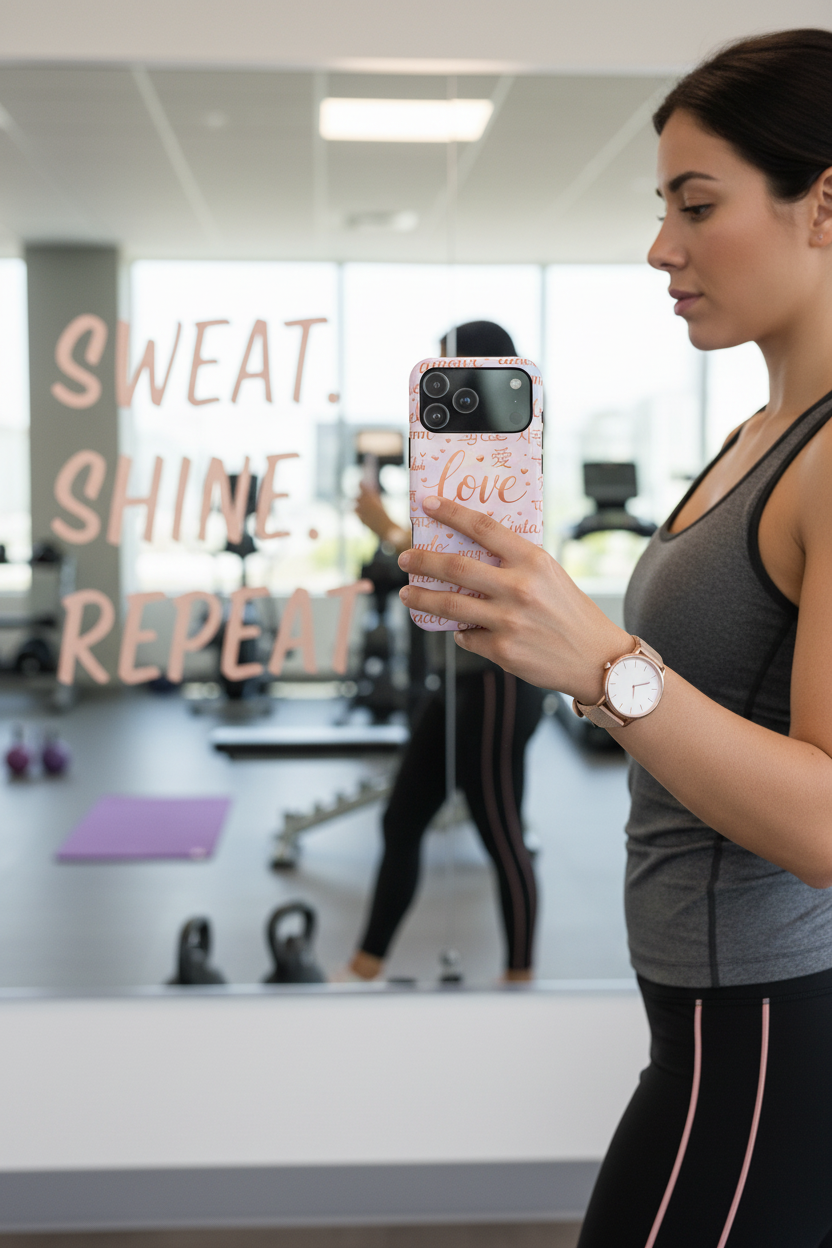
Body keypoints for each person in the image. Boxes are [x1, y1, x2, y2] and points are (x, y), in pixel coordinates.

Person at [396, 31, 832, 1247]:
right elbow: (702, 700)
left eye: (697, 205)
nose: (661, 248)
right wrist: (546, 646)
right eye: (661, 207)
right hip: (701, 1026)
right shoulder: (760, 431)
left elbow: (823, 824)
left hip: (757, 1035)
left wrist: (596, 660)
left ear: (824, 205)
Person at [347, 321, 544, 983]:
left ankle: (521, 978)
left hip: (496, 682)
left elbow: (474, 560)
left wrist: (389, 530)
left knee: (503, 837)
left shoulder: (505, 456)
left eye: (451, 371)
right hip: (458, 683)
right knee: (402, 820)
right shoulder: (447, 452)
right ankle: (365, 965)